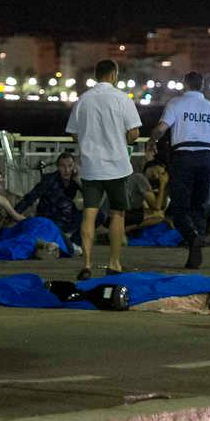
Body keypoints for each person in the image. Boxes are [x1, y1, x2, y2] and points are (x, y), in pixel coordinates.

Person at [147, 72, 210, 269]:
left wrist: (151, 141)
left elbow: (161, 128)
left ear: (185, 85)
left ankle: (192, 238)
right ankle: (195, 249)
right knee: (199, 205)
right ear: (202, 86)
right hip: (206, 158)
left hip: (184, 156)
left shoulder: (176, 104)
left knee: (179, 208)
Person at [66, 58, 142, 279]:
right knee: (117, 214)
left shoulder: (83, 100)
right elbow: (134, 133)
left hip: (91, 166)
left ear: (96, 75)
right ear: (113, 75)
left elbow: (73, 133)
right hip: (117, 166)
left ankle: (87, 264)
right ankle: (114, 263)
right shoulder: (122, 99)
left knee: (89, 213)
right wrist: (122, 138)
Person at [16, 152, 84, 242]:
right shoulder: (49, 180)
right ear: (58, 167)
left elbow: (89, 198)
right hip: (51, 220)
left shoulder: (75, 180)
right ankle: (66, 242)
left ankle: (73, 242)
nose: (67, 170)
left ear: (74, 167)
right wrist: (14, 213)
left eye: (70, 166)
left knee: (99, 214)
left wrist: (78, 180)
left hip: (68, 218)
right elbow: (30, 198)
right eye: (62, 166)